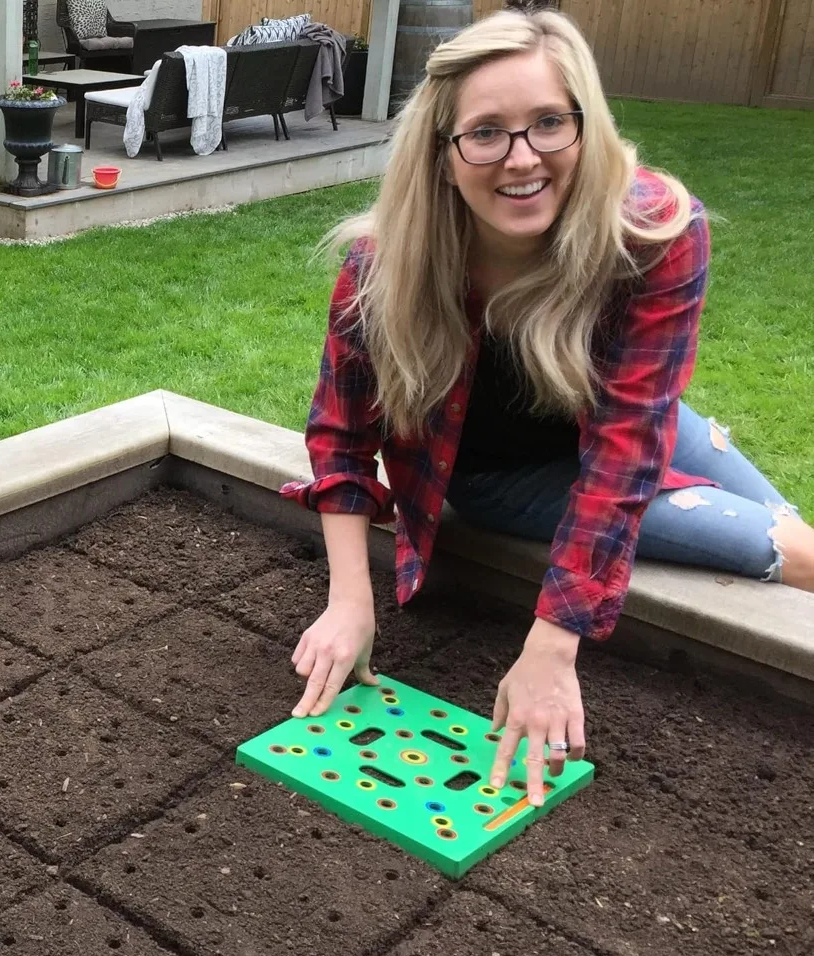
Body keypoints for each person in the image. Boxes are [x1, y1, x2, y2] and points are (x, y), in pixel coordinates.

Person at [280, 7, 814, 807]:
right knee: (795, 558)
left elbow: (628, 445)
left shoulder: (653, 233)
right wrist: (351, 599)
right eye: (486, 133)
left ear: (584, 126)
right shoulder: (381, 269)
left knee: (800, 547)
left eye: (547, 125)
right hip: (498, 472)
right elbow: (342, 437)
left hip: (624, 429)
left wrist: (551, 649)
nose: (521, 158)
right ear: (443, 154)